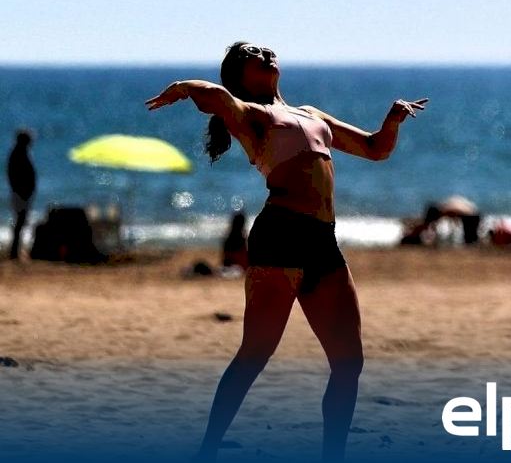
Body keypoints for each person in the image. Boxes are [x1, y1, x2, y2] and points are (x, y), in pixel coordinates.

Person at [146, 41, 427, 462]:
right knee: (254, 354)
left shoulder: (312, 115)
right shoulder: (252, 116)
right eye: (252, 54)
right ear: (241, 76)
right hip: (280, 234)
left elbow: (374, 149)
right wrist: (185, 87)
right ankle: (208, 450)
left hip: (323, 240)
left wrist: (392, 121)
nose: (265, 54)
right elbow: (217, 97)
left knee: (349, 362)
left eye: (266, 50)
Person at [7, 129, 36, 261]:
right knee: (20, 220)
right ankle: (14, 251)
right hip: (20, 193)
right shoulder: (18, 154)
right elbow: (13, 174)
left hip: (22, 192)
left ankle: (16, 250)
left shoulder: (20, 153)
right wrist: (20, 190)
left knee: (21, 221)